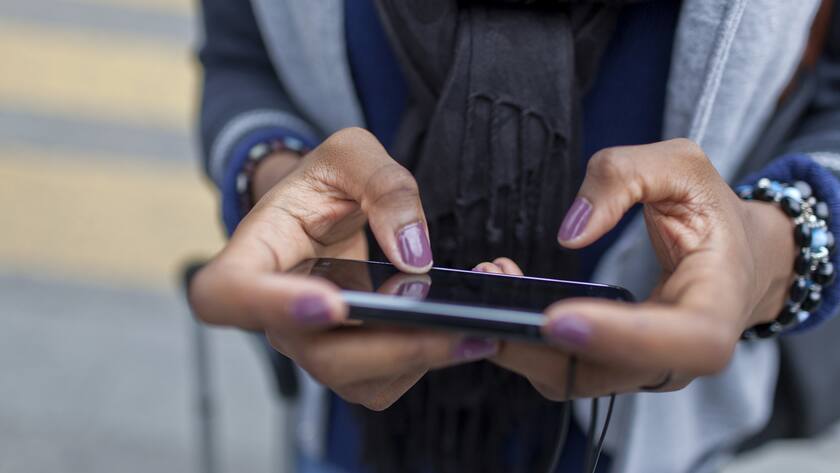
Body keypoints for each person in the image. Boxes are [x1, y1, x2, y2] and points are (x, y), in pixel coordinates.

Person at [190, 0, 840, 472]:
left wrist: (770, 250)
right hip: (343, 429)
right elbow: (241, 56)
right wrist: (273, 173)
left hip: (644, 445)